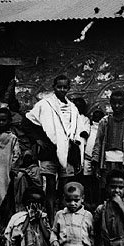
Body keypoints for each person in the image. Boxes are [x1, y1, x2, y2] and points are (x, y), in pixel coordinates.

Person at [24, 75, 85, 220]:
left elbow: (76, 129)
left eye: (65, 87)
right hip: (49, 152)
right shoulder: (45, 105)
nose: (62, 90)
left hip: (67, 152)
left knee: (65, 187)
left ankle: (64, 218)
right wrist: (38, 139)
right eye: (59, 87)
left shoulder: (72, 108)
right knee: (50, 188)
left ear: (69, 88)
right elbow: (27, 122)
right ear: (54, 87)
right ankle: (51, 219)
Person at [91, 91, 124, 194]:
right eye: (114, 103)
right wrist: (95, 162)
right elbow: (98, 143)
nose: (117, 106)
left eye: (120, 103)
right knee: (107, 189)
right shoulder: (104, 122)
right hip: (107, 162)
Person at [81, 109, 104, 209]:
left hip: (98, 159)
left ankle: (96, 202)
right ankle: (87, 201)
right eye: (95, 116)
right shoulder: (89, 127)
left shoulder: (103, 127)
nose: (97, 118)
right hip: (87, 157)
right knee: (87, 180)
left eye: (99, 116)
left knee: (96, 181)